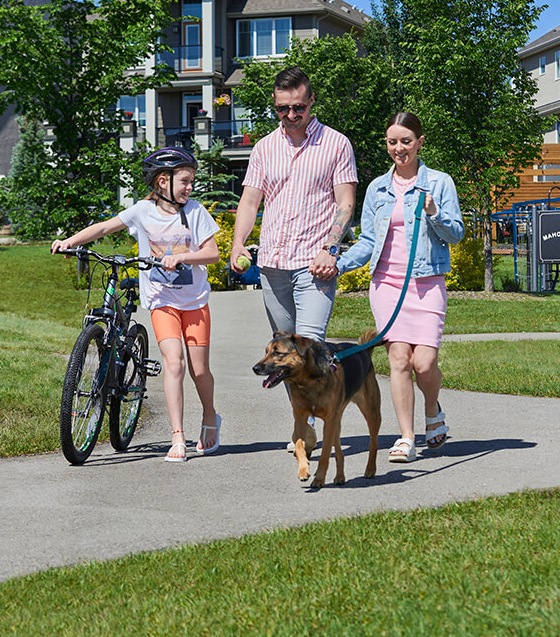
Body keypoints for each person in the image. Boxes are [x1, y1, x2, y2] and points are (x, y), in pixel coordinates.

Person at [52, 147, 221, 463]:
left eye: (191, 181)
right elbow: (103, 227)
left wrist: (182, 256)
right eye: (184, 181)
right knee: (175, 363)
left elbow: (212, 253)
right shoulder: (142, 212)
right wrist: (69, 242)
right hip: (162, 302)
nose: (190, 187)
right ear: (162, 182)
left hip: (194, 302)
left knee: (199, 370)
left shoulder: (196, 211)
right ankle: (178, 436)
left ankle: (210, 416)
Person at [229, 66, 357, 452]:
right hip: (272, 265)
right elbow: (250, 200)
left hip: (314, 265)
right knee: (285, 354)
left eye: (297, 108)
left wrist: (331, 248)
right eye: (282, 109)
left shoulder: (336, 144)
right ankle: (304, 425)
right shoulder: (264, 147)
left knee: (312, 348)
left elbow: (346, 202)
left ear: (311, 101)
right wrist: (238, 245)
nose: (290, 116)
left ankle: (321, 420)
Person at [336, 112, 464, 463]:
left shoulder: (439, 182)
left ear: (420, 142)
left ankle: (432, 408)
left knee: (424, 364)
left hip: (426, 284)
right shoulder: (378, 187)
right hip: (387, 285)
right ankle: (407, 436)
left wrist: (435, 211)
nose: (399, 148)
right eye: (393, 142)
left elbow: (456, 233)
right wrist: (337, 263)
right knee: (398, 359)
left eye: (406, 141)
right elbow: (366, 241)